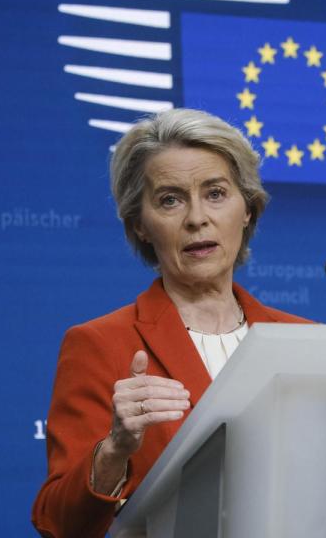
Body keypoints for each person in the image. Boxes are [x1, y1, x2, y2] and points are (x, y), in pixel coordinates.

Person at [31, 108, 310, 538]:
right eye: (170, 199)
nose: (197, 218)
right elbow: (58, 524)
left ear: (248, 209)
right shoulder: (101, 345)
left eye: (216, 193)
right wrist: (114, 451)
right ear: (140, 225)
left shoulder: (304, 342)